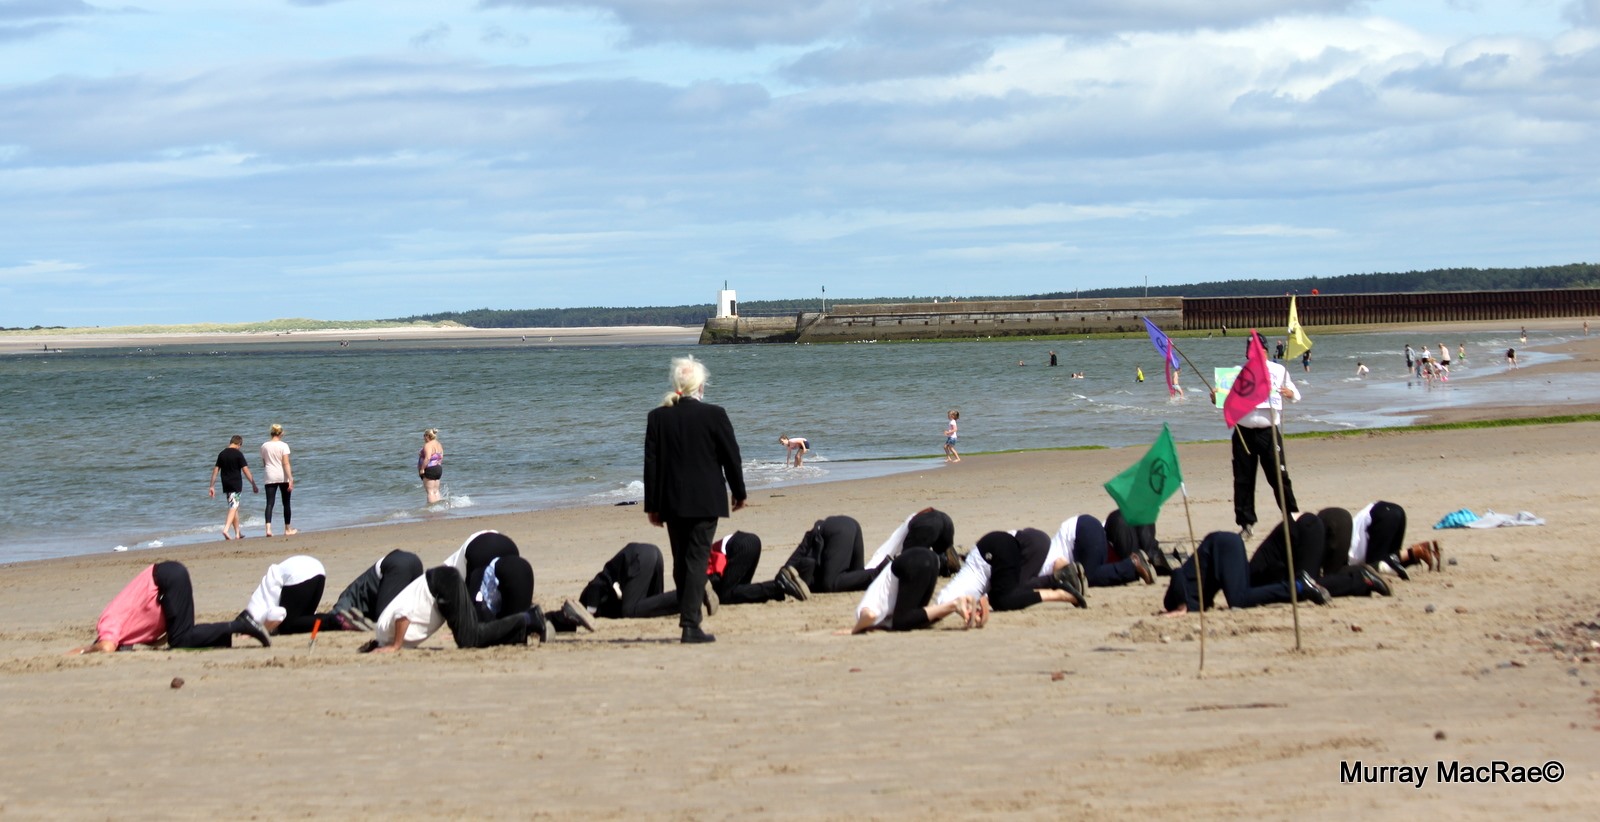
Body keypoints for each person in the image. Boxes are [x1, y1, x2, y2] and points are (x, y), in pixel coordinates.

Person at [643, 355, 747, 644]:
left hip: (672, 500)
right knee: (695, 559)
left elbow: (651, 464)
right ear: (701, 386)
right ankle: (690, 625)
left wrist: (652, 504)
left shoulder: (658, 417)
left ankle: (689, 617)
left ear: (676, 384)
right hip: (705, 499)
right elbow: (731, 457)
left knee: (682, 560)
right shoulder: (715, 414)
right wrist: (739, 492)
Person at [67, 561, 273, 654]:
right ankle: (221, 640)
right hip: (167, 576)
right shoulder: (125, 633)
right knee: (183, 636)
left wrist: (86, 650)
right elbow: (155, 635)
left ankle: (240, 624)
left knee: (181, 639)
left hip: (164, 580)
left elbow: (106, 647)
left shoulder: (107, 623)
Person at [1215, 333, 1300, 539]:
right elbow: (1224, 400)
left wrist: (1289, 394)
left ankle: (1291, 515)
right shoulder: (1237, 372)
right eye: (1250, 350)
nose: (1254, 353)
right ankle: (1246, 523)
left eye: (1258, 349)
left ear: (1266, 350)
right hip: (1243, 433)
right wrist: (1215, 397)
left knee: (1278, 475)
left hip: (1268, 431)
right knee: (1243, 478)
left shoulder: (1278, 370)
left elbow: (1296, 395)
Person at [366, 565, 541, 653]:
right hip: (442, 581)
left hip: (440, 584)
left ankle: (527, 618)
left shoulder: (383, 632)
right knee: (471, 635)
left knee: (469, 639)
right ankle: (520, 630)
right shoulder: (387, 634)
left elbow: (402, 614)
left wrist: (395, 646)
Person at [1161, 531, 1328, 616]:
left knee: (1239, 600)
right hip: (1224, 546)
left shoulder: (1173, 599)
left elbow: (1177, 573)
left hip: (1222, 546)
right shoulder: (1195, 604)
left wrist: (1181, 605)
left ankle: (1299, 585)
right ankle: (1297, 585)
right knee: (1248, 593)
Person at [847, 547, 977, 634]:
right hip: (929, 559)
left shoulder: (864, 608)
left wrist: (855, 630)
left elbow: (868, 616)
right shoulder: (885, 618)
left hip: (912, 562)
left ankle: (955, 604)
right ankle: (962, 606)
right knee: (917, 618)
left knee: (902, 622)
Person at [243, 554, 353, 635]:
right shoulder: (255, 603)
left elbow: (278, 613)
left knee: (287, 626)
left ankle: (337, 620)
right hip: (317, 570)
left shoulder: (255, 614)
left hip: (299, 574)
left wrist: (260, 631)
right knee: (304, 620)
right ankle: (342, 619)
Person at [1049, 513, 1151, 588]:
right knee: (1090, 574)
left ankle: (1133, 564)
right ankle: (1135, 566)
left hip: (1081, 531)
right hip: (1084, 527)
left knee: (1086, 577)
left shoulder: (1042, 562)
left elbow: (1059, 564)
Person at [333, 549, 425, 629]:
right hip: (413, 561)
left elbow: (332, 617)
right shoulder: (354, 594)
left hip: (395, 565)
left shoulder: (347, 597)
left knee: (384, 617)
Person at [711, 531, 809, 604]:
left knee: (725, 597)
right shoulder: (703, 556)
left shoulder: (702, 565)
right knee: (740, 591)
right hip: (750, 541)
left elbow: (716, 571)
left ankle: (779, 586)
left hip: (739, 546)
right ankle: (780, 589)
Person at [208, 434, 258, 540]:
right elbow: (246, 470)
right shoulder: (238, 454)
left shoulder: (222, 454)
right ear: (239, 444)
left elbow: (216, 470)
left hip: (225, 483)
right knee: (233, 507)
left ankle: (237, 533)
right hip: (236, 483)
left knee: (234, 507)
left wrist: (212, 485)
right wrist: (253, 483)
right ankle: (226, 529)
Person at [260, 424, 296, 536]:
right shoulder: (284, 446)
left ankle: (268, 529)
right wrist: (291, 478)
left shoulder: (264, 446)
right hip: (282, 476)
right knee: (286, 503)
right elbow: (285, 463)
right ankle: (287, 529)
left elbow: (264, 463)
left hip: (269, 475)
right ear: (281, 433)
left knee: (270, 503)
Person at [418, 428, 444, 504]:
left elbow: (428, 458)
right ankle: (439, 507)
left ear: (427, 436)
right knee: (436, 491)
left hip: (429, 468)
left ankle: (432, 510)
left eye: (424, 435)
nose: (423, 438)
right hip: (438, 468)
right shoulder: (438, 444)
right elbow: (441, 456)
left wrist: (422, 469)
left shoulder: (428, 445)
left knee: (430, 492)